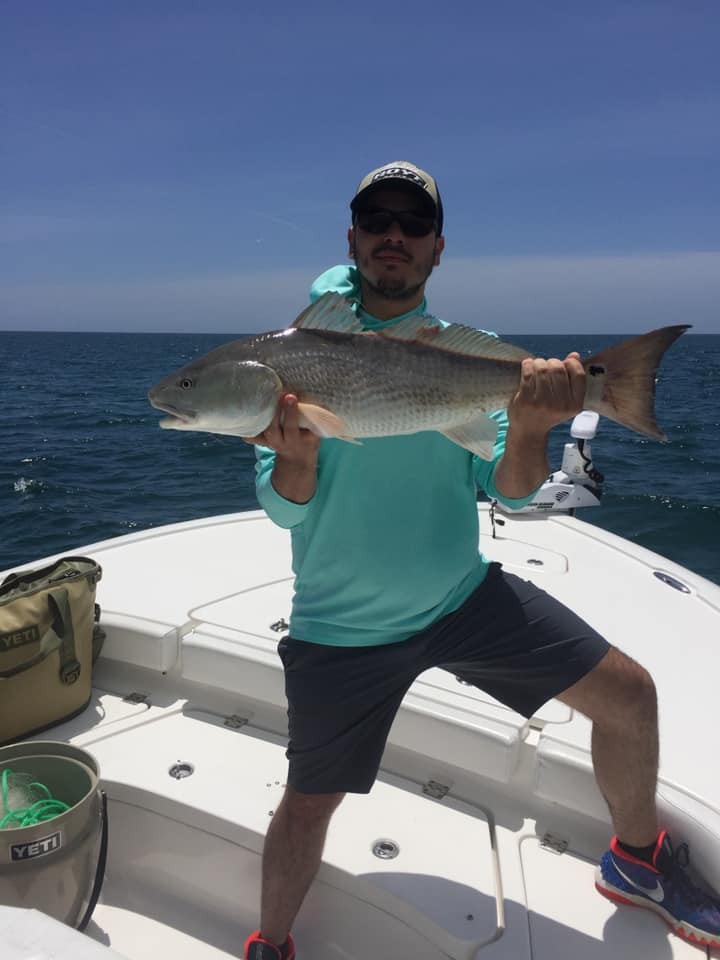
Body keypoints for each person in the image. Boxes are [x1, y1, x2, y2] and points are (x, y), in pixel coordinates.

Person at [242, 162, 720, 959]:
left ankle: (638, 862)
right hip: (341, 627)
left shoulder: (473, 358)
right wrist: (293, 455)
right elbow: (282, 507)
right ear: (353, 237)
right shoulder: (296, 357)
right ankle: (272, 940)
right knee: (308, 802)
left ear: (436, 250)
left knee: (630, 695)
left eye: (413, 223)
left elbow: (511, 491)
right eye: (377, 218)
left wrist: (533, 426)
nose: (394, 233)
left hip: (460, 599)